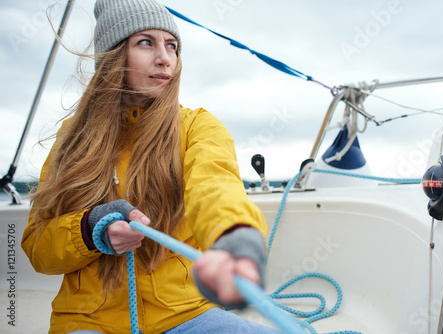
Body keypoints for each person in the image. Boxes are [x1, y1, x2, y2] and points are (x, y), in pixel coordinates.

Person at [21, 0, 281, 333]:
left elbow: (216, 188)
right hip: (89, 320)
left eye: (172, 46)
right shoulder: (72, 140)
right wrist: (90, 228)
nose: (165, 59)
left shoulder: (198, 126)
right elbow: (38, 248)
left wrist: (234, 240)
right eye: (146, 42)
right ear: (114, 56)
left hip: (187, 315)